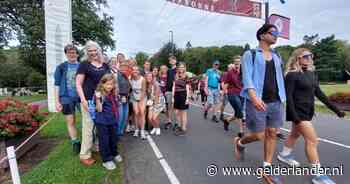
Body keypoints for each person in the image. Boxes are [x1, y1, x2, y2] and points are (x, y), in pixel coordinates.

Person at [277, 48, 346, 184]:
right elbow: (289, 97)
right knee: (313, 141)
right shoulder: (292, 75)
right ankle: (318, 176)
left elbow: (320, 94)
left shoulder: (312, 74)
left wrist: (336, 110)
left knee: (294, 134)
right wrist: (295, 116)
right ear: (298, 58)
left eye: (311, 56)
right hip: (298, 112)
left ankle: (284, 154)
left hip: (308, 111)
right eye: (306, 56)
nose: (309, 58)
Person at [234, 24, 286, 183]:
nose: (276, 35)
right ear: (262, 35)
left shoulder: (277, 55)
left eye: (277, 33)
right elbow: (247, 78)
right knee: (259, 134)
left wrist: (284, 97)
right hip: (257, 100)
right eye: (273, 33)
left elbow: (280, 78)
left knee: (272, 133)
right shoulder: (250, 54)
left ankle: (267, 169)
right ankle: (240, 142)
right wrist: (254, 97)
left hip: (276, 101)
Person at [76, 40, 110, 166]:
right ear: (87, 52)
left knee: (100, 125)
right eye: (90, 50)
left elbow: (108, 82)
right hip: (88, 101)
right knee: (88, 127)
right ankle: (84, 154)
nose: (93, 52)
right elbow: (78, 84)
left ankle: (96, 146)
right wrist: (83, 100)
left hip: (102, 100)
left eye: (95, 50)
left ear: (99, 50)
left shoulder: (105, 65)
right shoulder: (84, 65)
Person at [54, 44, 81, 154]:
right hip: (66, 98)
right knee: (71, 121)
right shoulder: (61, 67)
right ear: (66, 54)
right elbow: (56, 85)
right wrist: (57, 101)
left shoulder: (82, 66)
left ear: (77, 54)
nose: (72, 54)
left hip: (81, 97)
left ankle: (90, 140)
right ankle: (75, 143)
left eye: (73, 52)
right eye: (69, 52)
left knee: (88, 118)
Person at [94, 74, 122, 170]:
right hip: (102, 122)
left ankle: (114, 153)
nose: (109, 86)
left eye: (111, 84)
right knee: (104, 140)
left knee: (113, 138)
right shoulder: (99, 94)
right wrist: (98, 99)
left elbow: (116, 105)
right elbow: (99, 109)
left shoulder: (113, 93)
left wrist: (119, 98)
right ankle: (106, 160)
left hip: (112, 120)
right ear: (102, 84)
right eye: (107, 84)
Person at [223, 57, 244, 137]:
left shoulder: (244, 72)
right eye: (235, 63)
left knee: (238, 113)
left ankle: (227, 120)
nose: (237, 64)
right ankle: (241, 131)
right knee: (239, 110)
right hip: (232, 93)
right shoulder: (230, 72)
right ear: (234, 64)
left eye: (238, 62)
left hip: (241, 94)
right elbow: (226, 83)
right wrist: (224, 93)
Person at [110, 53, 131, 136]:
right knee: (120, 115)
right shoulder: (114, 74)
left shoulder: (124, 74)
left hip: (126, 97)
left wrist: (128, 93)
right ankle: (117, 133)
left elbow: (129, 86)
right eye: (122, 66)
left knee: (125, 115)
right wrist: (119, 96)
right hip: (119, 97)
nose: (124, 68)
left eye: (125, 66)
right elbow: (114, 86)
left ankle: (121, 131)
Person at [172, 62, 191, 136]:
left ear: (185, 68)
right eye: (180, 67)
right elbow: (173, 86)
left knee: (183, 113)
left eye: (183, 67)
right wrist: (173, 97)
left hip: (183, 94)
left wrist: (187, 98)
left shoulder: (186, 76)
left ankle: (183, 129)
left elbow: (187, 87)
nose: (181, 68)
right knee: (177, 112)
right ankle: (179, 126)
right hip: (176, 94)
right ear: (178, 68)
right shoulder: (176, 75)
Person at [130, 66, 147, 139]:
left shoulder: (143, 79)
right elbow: (130, 89)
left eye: (136, 70)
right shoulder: (131, 78)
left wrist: (140, 100)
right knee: (136, 112)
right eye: (133, 70)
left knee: (142, 112)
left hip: (142, 97)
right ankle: (137, 129)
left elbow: (143, 91)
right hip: (134, 97)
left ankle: (142, 131)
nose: (135, 71)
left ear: (139, 71)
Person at [164, 55, 178, 130]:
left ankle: (176, 122)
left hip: (176, 91)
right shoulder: (169, 70)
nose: (171, 61)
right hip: (168, 90)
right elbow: (168, 81)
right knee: (169, 107)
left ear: (175, 61)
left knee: (175, 107)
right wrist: (166, 91)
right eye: (170, 60)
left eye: (173, 60)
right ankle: (169, 121)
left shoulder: (178, 70)